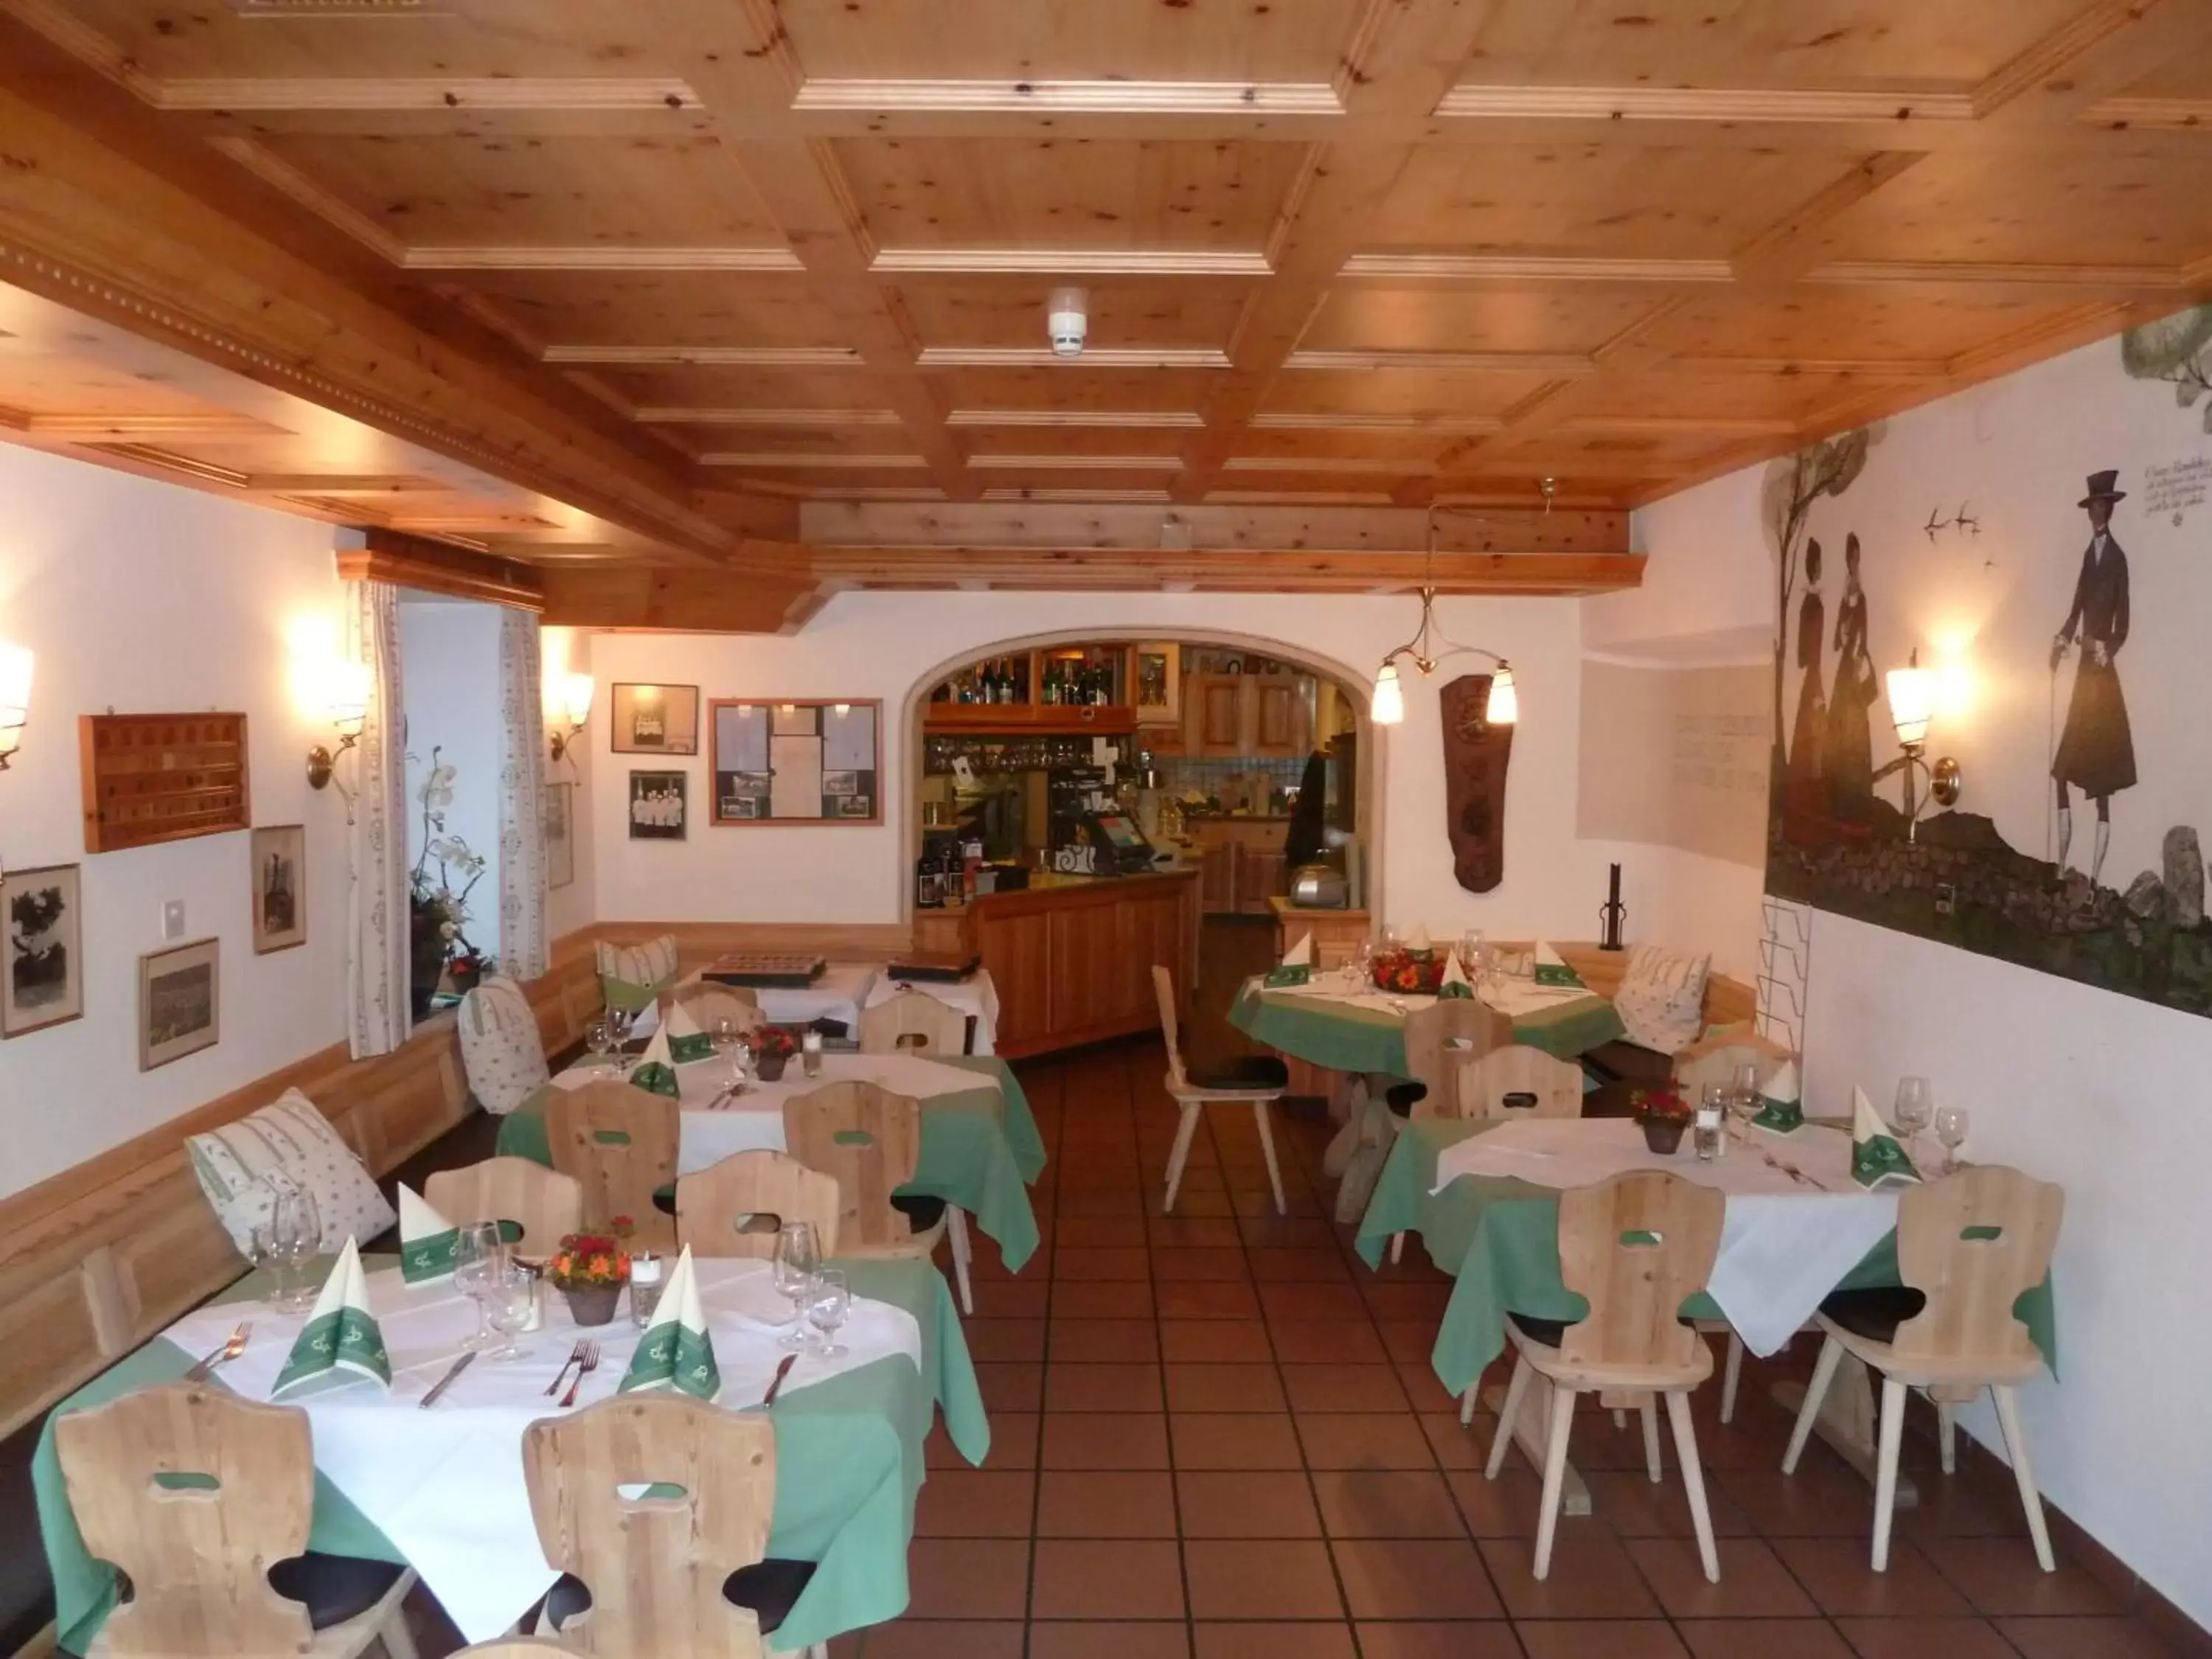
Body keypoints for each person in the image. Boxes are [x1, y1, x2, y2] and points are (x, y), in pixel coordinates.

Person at [2051, 470, 2135, 886]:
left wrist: (2107, 648)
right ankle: (2062, 864)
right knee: (2063, 767)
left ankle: (2097, 879)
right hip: (2084, 673)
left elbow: (2124, 624)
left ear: (2110, 509)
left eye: (2101, 506)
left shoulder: (2118, 559)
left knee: (2101, 781)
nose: (2095, 513)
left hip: (2102, 677)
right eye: (2091, 507)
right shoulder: (2089, 555)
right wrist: (2061, 640)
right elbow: (2076, 606)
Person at [1826, 534, 1878, 826]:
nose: (1854, 562)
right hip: (1845, 669)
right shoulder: (1846, 597)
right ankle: (1840, 804)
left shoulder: (1863, 598)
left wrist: (1859, 657)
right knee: (1839, 735)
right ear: (1847, 560)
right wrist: (1843, 624)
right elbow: (1836, 641)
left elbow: (1865, 638)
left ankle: (1857, 807)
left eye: (1857, 557)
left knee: (1856, 737)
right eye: (1851, 557)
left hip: (1855, 670)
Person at [1788, 538, 1827, 793]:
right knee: (1813, 728)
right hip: (1814, 675)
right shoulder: (1811, 604)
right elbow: (1806, 651)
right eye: (1820, 563)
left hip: (1815, 672)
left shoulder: (1811, 603)